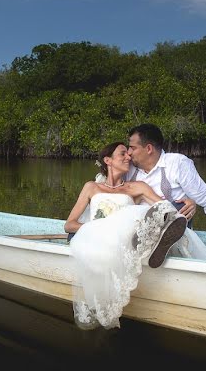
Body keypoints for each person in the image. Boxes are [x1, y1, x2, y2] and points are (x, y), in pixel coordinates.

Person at [64, 141, 188, 329]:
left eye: (128, 154)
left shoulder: (137, 187)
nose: (128, 157)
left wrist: (188, 203)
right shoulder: (91, 187)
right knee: (129, 216)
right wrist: (97, 228)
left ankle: (153, 242)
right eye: (122, 154)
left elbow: (164, 206)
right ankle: (150, 243)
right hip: (99, 241)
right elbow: (69, 224)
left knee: (152, 211)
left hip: (125, 242)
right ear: (108, 160)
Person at [123, 124, 206, 244]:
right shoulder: (127, 167)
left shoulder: (177, 164)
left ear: (148, 149)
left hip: (172, 229)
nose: (128, 153)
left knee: (179, 206)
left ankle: (162, 244)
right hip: (136, 228)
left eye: (132, 148)